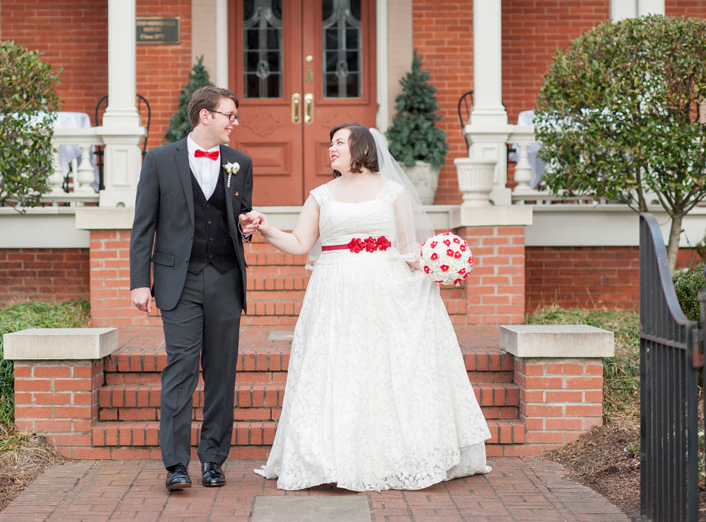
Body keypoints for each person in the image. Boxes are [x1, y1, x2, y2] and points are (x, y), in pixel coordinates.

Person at [249, 123, 491, 491]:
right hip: (334, 291)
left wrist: (435, 265)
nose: (332, 149)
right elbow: (299, 243)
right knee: (335, 367)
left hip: (384, 290)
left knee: (379, 368)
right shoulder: (320, 196)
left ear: (363, 148)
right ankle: (328, 458)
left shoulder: (394, 193)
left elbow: (408, 248)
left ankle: (385, 455)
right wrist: (267, 229)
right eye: (331, 144)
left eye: (340, 143)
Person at [129, 86, 260, 491]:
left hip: (224, 278)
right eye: (229, 115)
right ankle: (176, 465)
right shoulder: (159, 160)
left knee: (221, 373)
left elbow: (238, 218)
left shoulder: (240, 162)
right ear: (206, 116)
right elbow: (143, 225)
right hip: (177, 282)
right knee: (180, 370)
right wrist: (139, 282)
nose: (234, 123)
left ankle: (214, 460)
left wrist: (246, 227)